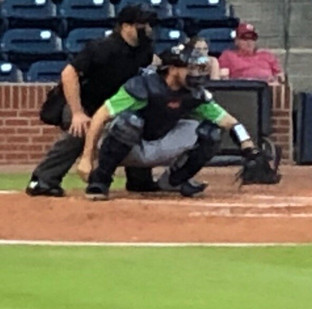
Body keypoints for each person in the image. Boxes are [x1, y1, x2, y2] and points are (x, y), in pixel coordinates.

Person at [76, 45, 263, 199]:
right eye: (190, 68)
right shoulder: (142, 86)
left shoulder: (194, 94)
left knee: (210, 132)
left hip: (161, 142)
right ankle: (100, 181)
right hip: (129, 146)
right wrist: (86, 157)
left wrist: (248, 147)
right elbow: (101, 115)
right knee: (129, 122)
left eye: (198, 68)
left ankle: (175, 180)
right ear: (173, 69)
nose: (196, 73)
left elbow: (229, 122)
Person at [25, 4, 157, 198]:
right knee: (81, 129)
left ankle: (139, 179)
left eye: (148, 24)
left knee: (134, 124)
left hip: (110, 105)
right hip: (78, 102)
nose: (147, 29)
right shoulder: (102, 47)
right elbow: (69, 74)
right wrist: (77, 112)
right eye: (142, 24)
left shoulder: (143, 51)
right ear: (125, 26)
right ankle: (42, 179)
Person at [217, 22, 286, 83]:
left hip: (267, 90)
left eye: (252, 38)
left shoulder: (267, 56)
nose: (249, 42)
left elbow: (280, 76)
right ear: (236, 41)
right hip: (243, 91)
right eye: (245, 38)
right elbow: (223, 78)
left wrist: (276, 79)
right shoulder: (228, 56)